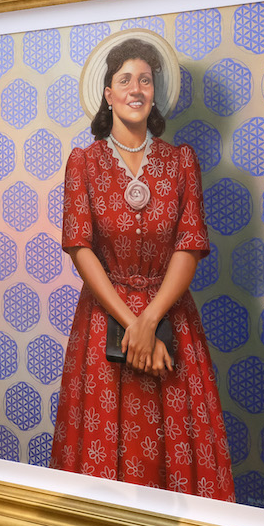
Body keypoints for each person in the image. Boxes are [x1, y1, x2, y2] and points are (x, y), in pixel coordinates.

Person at [51, 30, 235, 501]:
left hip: (171, 318)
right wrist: (131, 323)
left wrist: (150, 320)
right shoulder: (84, 163)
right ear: (108, 94)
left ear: (155, 94)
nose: (136, 88)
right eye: (125, 79)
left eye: (146, 80)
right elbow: (80, 248)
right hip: (102, 322)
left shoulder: (180, 162)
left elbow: (189, 245)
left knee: (177, 455)